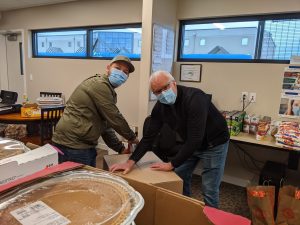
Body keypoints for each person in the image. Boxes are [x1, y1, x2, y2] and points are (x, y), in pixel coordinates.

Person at [110, 70, 230, 208]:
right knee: (179, 176)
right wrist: (130, 162)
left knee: (209, 188)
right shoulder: (160, 108)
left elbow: (196, 138)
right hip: (190, 143)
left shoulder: (195, 98)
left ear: (174, 83)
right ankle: (186, 208)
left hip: (214, 144)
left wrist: (171, 164)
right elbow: (148, 137)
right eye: (157, 91)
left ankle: (212, 220)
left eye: (165, 87)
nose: (162, 93)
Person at [52, 55, 139, 167]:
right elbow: (114, 117)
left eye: (125, 72)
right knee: (81, 182)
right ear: (108, 68)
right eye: (117, 68)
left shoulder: (108, 90)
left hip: (81, 144)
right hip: (73, 144)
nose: (121, 73)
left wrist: (120, 148)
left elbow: (106, 126)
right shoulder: (99, 85)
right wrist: (132, 138)